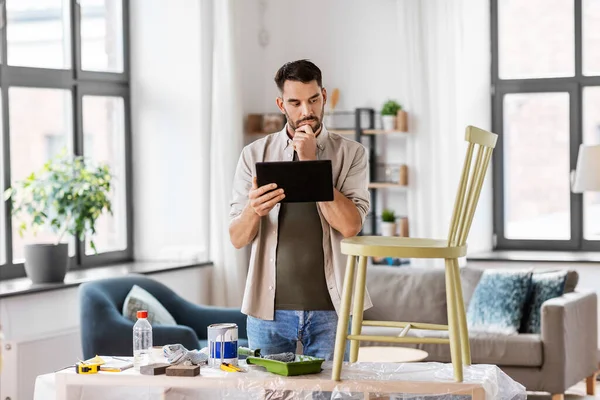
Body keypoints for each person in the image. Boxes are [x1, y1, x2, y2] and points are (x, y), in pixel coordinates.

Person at [229, 59, 370, 360]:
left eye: (314, 100)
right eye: (295, 103)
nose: (307, 111)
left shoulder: (352, 153)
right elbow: (237, 238)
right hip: (267, 313)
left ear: (324, 95)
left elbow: (350, 226)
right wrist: (254, 209)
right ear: (281, 104)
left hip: (332, 311)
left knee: (332, 397)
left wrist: (310, 164)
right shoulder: (253, 154)